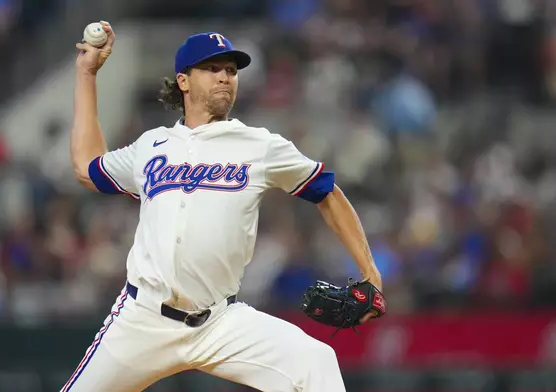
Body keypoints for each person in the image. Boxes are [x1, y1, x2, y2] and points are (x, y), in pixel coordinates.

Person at [63, 21, 384, 392]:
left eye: (231, 71)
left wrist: (370, 272)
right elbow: (88, 167)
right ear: (183, 81)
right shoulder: (152, 145)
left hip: (219, 322)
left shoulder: (260, 145)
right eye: (212, 69)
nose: (224, 78)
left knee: (316, 363)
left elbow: (328, 193)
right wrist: (87, 75)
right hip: (142, 319)